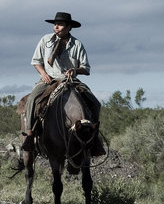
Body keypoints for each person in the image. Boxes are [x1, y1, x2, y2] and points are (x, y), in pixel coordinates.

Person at [22, 12, 105, 156]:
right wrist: (43, 74)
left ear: (69, 27)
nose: (56, 27)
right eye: (55, 24)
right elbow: (36, 61)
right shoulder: (45, 40)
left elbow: (86, 68)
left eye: (60, 24)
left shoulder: (77, 44)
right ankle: (30, 135)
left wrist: (75, 70)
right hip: (49, 80)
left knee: (95, 103)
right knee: (32, 99)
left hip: (71, 81)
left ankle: (94, 138)